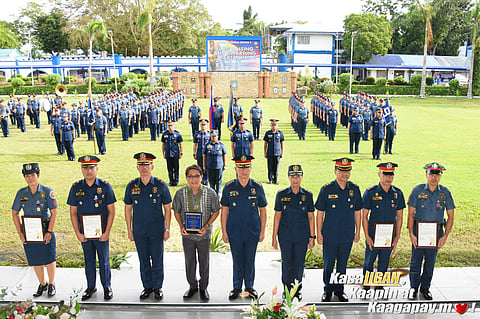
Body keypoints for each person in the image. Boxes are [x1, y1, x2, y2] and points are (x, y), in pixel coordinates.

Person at [67, 155, 116, 300]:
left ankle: (107, 286)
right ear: (82, 170)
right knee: (88, 260)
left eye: (91, 168)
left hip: (101, 233)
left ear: (97, 169)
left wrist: (107, 232)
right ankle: (90, 286)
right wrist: (77, 232)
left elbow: (112, 211)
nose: (88, 171)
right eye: (85, 168)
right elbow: (73, 212)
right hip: (85, 233)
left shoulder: (105, 186)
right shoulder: (76, 187)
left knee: (104, 259)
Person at [124, 152, 172, 300]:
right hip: (139, 230)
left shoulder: (160, 185)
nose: (144, 168)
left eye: (147, 165)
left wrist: (167, 228)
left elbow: (168, 208)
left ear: (152, 166)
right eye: (141, 165)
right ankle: (147, 287)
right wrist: (129, 230)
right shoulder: (132, 186)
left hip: (157, 230)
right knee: (143, 259)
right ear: (137, 167)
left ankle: (158, 287)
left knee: (157, 259)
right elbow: (127, 208)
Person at [315, 158, 362, 302]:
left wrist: (358, 231)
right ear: (336, 171)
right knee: (329, 264)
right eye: (341, 171)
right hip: (330, 233)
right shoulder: (327, 189)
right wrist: (319, 233)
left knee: (342, 264)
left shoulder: (354, 189)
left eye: (347, 171)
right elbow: (320, 212)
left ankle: (340, 290)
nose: (344, 174)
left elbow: (358, 212)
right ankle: (328, 290)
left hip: (347, 234)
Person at [221, 155, 267, 300]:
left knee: (249, 259)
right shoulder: (229, 187)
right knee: (237, 259)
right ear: (236, 169)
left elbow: (263, 210)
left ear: (251, 169)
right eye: (241, 167)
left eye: (246, 167)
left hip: (252, 230)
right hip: (234, 230)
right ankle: (236, 287)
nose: (244, 171)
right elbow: (225, 210)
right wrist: (224, 231)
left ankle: (249, 287)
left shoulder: (257, 187)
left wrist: (262, 231)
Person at [173, 164, 221, 301]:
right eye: (190, 176)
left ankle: (203, 288)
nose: (193, 179)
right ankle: (193, 286)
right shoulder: (180, 193)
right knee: (189, 261)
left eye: (196, 176)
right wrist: (181, 225)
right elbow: (176, 210)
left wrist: (206, 226)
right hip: (187, 235)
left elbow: (216, 211)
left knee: (204, 262)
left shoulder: (210, 192)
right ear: (187, 178)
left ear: (201, 177)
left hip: (203, 235)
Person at [407, 163, 455, 300]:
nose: (434, 177)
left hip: (436, 233)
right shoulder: (417, 190)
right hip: (419, 231)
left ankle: (425, 288)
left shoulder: (445, 192)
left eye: (437, 175)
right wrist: (411, 234)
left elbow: (451, 216)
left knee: (430, 261)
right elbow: (410, 214)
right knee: (415, 261)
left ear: (440, 176)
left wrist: (445, 236)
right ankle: (413, 288)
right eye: (431, 174)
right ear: (426, 175)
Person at [12, 163, 58, 297]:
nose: (30, 178)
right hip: (29, 230)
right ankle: (42, 284)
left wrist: (49, 231)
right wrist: (20, 233)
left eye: (33, 175)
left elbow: (54, 212)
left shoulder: (47, 192)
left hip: (44, 227)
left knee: (49, 257)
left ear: (38, 175)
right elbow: (15, 212)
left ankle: (51, 284)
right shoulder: (21, 193)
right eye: (27, 176)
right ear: (24, 178)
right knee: (35, 257)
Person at [272, 165, 315, 300]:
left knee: (299, 263)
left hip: (302, 236)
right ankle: (287, 289)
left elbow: (311, 216)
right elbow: (277, 216)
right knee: (287, 262)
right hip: (285, 236)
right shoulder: (282, 194)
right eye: (292, 176)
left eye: (298, 176)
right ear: (289, 177)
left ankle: (297, 289)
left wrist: (312, 236)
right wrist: (274, 237)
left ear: (302, 177)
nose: (295, 179)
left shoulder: (307, 195)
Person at [362, 163, 405, 287]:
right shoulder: (371, 192)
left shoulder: (397, 193)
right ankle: (367, 283)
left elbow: (400, 216)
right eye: (385, 174)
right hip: (373, 233)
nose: (388, 178)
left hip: (389, 234)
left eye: (391, 175)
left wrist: (397, 236)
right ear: (379, 175)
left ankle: (380, 284)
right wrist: (367, 236)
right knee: (370, 260)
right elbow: (364, 215)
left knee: (384, 260)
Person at [203, 130, 227, 196]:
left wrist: (225, 165)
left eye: (215, 136)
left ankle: (219, 192)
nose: (213, 137)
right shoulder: (207, 145)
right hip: (210, 165)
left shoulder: (221, 145)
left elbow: (224, 155)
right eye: (212, 136)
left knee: (218, 180)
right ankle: (212, 192)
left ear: (217, 136)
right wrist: (204, 165)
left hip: (219, 165)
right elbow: (204, 155)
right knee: (211, 180)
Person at [162, 121, 183, 186]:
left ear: (173, 126)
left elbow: (181, 144)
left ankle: (176, 181)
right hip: (168, 153)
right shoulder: (165, 134)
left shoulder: (177, 134)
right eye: (169, 126)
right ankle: (171, 181)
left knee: (176, 168)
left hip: (175, 153)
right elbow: (163, 144)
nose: (170, 127)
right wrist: (163, 153)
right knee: (169, 168)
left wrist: (181, 153)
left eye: (171, 126)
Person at [263, 119, 284, 184]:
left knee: (276, 166)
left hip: (277, 153)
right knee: (270, 166)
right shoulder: (268, 133)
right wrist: (265, 152)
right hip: (270, 153)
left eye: (275, 125)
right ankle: (270, 179)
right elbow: (265, 143)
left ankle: (275, 179)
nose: (274, 127)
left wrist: (282, 152)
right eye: (272, 125)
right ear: (270, 125)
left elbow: (282, 143)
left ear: (277, 126)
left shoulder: (280, 133)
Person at [193, 119, 211, 185]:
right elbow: (195, 144)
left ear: (207, 125)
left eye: (204, 125)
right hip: (199, 153)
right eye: (202, 125)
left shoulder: (209, 134)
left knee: (207, 166)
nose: (203, 126)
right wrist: (194, 153)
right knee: (200, 167)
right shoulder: (197, 134)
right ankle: (201, 179)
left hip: (207, 154)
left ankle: (206, 179)